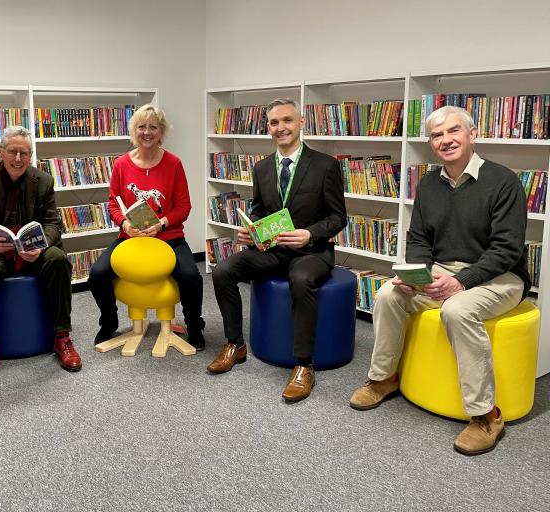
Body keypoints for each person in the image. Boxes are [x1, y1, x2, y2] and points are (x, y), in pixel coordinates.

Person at [349, 106, 531, 456]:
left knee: (457, 310)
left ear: (472, 135)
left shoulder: (503, 181)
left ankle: (486, 416)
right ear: (431, 143)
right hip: (443, 270)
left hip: (499, 275)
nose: (445, 140)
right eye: (437, 135)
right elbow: (418, 238)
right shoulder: (430, 184)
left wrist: (461, 281)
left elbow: (506, 249)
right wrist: (416, 272)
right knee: (389, 294)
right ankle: (384, 378)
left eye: (453, 131)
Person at [208, 98, 347, 402]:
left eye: (287, 120)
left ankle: (303, 365)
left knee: (301, 280)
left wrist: (309, 234)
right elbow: (259, 210)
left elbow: (338, 217)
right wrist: (251, 229)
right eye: (274, 122)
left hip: (312, 252)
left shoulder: (326, 165)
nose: (281, 127)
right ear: (268, 127)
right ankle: (235, 344)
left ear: (301, 123)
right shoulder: (261, 168)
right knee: (222, 271)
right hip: (272, 251)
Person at [0, 125, 79, 384]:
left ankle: (62, 338)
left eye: (24, 153)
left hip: (33, 253)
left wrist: (41, 244)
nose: (18, 159)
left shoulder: (43, 181)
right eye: (12, 152)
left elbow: (54, 225)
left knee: (58, 259)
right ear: (0, 151)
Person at [88, 104, 205, 349]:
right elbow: (112, 203)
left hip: (169, 237)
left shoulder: (173, 164)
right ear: (134, 131)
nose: (147, 132)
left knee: (191, 276)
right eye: (142, 126)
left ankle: (194, 324)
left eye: (153, 127)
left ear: (161, 132)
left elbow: (184, 206)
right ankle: (108, 322)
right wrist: (124, 224)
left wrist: (162, 224)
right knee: (97, 274)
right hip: (130, 238)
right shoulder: (121, 164)